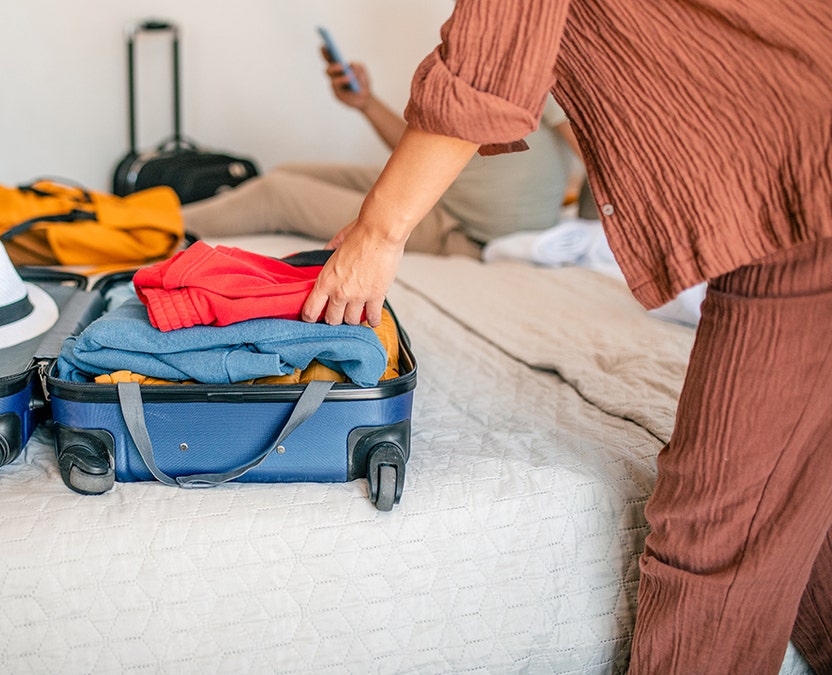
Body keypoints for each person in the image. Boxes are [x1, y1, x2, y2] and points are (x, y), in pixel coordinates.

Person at [300, 2, 832, 673]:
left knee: (711, 532)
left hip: (802, 192)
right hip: (793, 185)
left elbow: (486, 64)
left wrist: (380, 233)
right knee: (793, 496)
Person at [181, 50, 586, 258]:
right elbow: (425, 147)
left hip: (467, 231)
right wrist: (366, 102)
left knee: (277, 194)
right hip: (440, 190)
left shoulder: (538, 65)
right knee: (287, 171)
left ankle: (161, 225)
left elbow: (597, 158)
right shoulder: (476, 57)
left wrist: (595, 229)